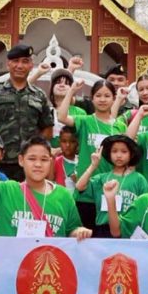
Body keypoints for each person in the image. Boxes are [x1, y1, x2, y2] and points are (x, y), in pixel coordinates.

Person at [0, 134, 92, 239]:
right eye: (32, 159)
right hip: (12, 264)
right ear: (21, 160)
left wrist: (80, 232)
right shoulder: (6, 190)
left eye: (44, 159)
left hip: (48, 265)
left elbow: (72, 229)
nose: (38, 165)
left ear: (51, 162)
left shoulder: (64, 196)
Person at [0, 44, 54, 181]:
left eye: (25, 61)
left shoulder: (39, 95)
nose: (20, 66)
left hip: (27, 164)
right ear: (8, 64)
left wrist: (33, 149)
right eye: (15, 61)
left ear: (31, 65)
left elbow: (48, 129)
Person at [58, 78, 118, 228]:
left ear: (114, 98)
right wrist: (71, 91)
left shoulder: (120, 126)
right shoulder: (85, 121)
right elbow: (61, 117)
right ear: (92, 98)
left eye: (107, 95)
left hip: (109, 190)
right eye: (98, 95)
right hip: (85, 189)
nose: (102, 99)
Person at [75, 134, 148, 238]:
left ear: (131, 154)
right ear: (109, 154)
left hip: (129, 231)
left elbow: (145, 207)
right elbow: (79, 186)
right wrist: (93, 165)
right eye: (114, 151)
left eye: (124, 151)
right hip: (103, 231)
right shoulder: (101, 178)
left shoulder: (139, 179)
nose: (119, 155)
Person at [53, 125, 80, 191]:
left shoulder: (82, 161)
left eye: (72, 142)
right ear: (59, 142)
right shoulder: (55, 162)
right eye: (64, 141)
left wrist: (79, 180)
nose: (68, 145)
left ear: (77, 143)